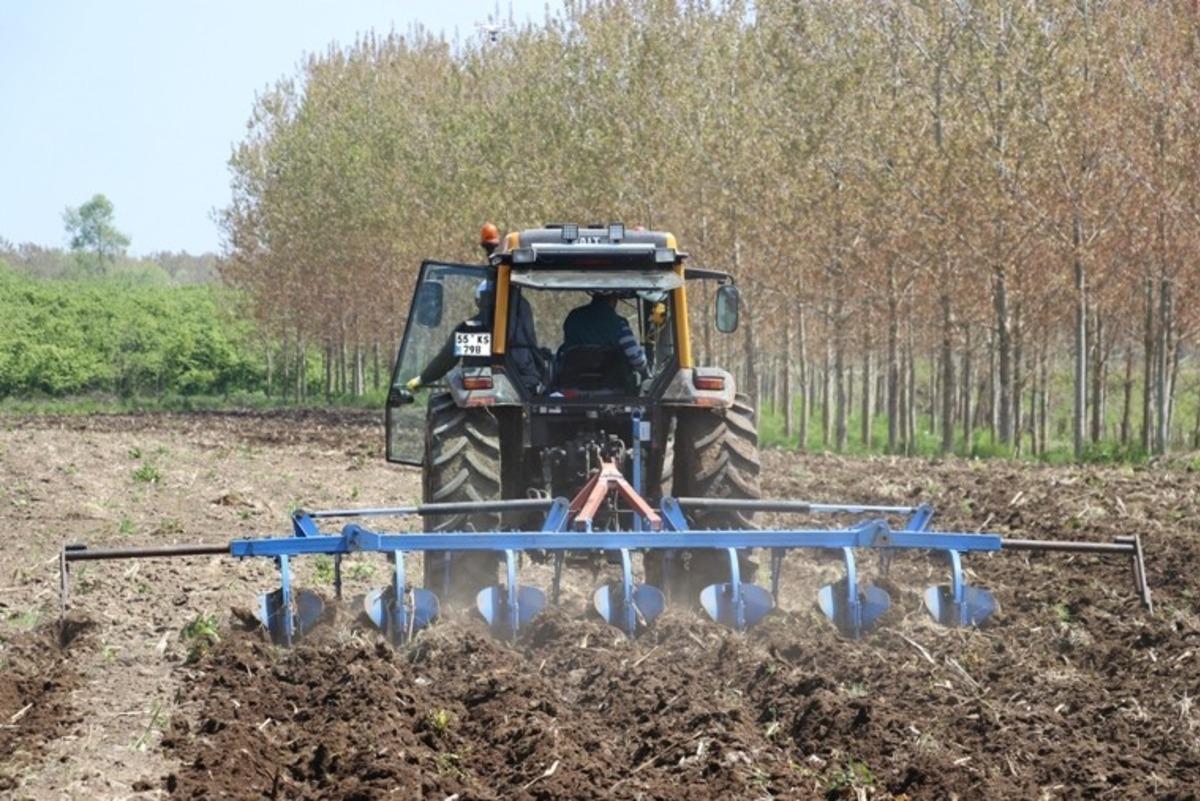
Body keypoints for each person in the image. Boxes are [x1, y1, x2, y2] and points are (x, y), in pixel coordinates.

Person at [561, 292, 648, 382]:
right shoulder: (619, 323)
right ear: (613, 299)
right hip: (612, 386)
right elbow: (636, 358)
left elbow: (567, 347)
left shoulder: (573, 317)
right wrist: (645, 372)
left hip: (572, 382)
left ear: (594, 297)